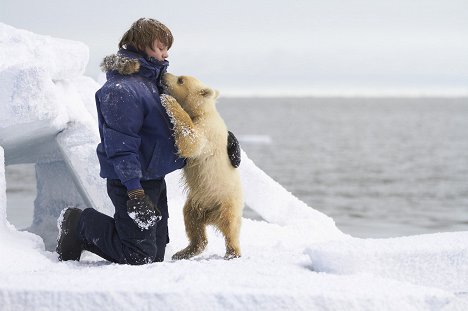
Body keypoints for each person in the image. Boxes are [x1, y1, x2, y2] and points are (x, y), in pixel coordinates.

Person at [56, 18, 241, 265]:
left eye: (166, 49)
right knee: (138, 255)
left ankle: (105, 236)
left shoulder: (153, 82)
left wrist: (223, 138)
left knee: (154, 255)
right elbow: (121, 146)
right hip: (130, 181)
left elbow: (187, 116)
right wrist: (134, 191)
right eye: (159, 47)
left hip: (153, 176)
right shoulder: (121, 90)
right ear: (140, 45)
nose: (165, 54)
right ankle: (79, 223)